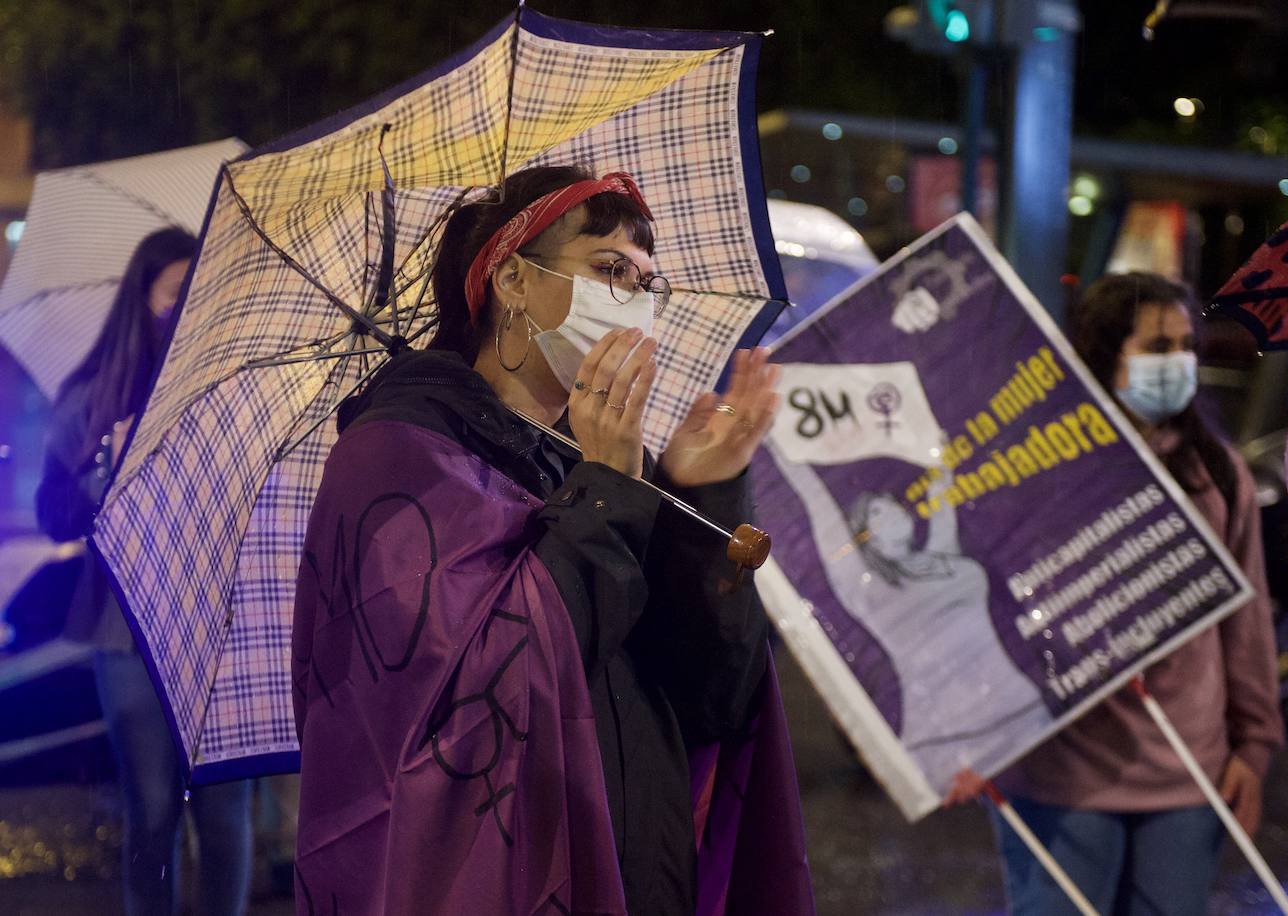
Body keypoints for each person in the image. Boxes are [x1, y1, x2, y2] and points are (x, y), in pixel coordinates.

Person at [290, 165, 814, 915]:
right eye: (609, 270)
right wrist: (607, 491)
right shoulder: (397, 456)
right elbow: (484, 708)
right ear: (512, 281)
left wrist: (699, 491)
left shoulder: (598, 458)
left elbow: (716, 702)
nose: (632, 302)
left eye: (645, 282)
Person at [989, 271, 1284, 916]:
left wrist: (1254, 747)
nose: (1177, 362)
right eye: (1156, 347)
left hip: (1187, 779)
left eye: (1186, 345)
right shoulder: (1040, 467)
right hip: (1060, 777)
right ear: (1104, 354)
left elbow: (1247, 618)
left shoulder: (1217, 472)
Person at [35, 227, 254, 916]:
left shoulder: (230, 383)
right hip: (125, 627)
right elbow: (55, 516)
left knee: (224, 812)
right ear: (142, 297)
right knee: (152, 811)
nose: (185, 309)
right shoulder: (96, 393)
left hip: (220, 623)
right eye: (172, 294)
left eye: (197, 293)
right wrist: (107, 458)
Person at [765, 446, 1050, 799]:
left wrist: (937, 452)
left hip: (1026, 714)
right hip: (950, 739)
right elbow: (817, 503)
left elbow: (943, 490)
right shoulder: (867, 588)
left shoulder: (942, 557)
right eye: (877, 512)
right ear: (863, 535)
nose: (894, 511)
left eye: (893, 504)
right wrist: (780, 449)